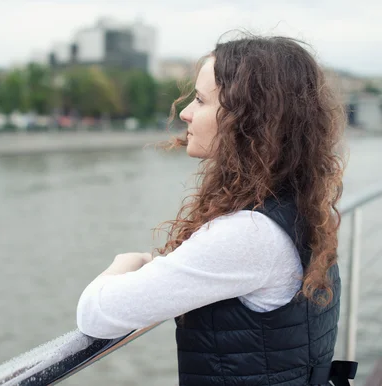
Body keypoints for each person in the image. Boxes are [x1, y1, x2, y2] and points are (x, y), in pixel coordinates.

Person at [76, 34, 358, 386]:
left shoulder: (250, 234)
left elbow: (95, 314)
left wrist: (124, 262)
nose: (185, 113)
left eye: (200, 100)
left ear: (249, 118)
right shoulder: (298, 207)